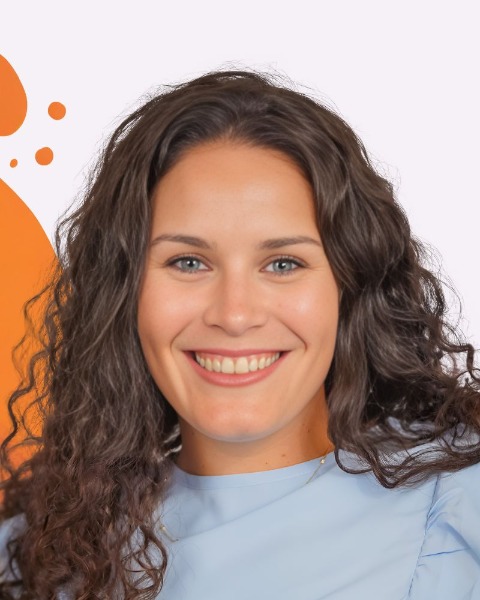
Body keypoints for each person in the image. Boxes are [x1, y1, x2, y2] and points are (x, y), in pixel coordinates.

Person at [1, 70, 479, 600]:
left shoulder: (458, 502)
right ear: (124, 290)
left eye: (283, 263)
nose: (234, 315)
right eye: (188, 262)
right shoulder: (40, 553)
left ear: (350, 285)